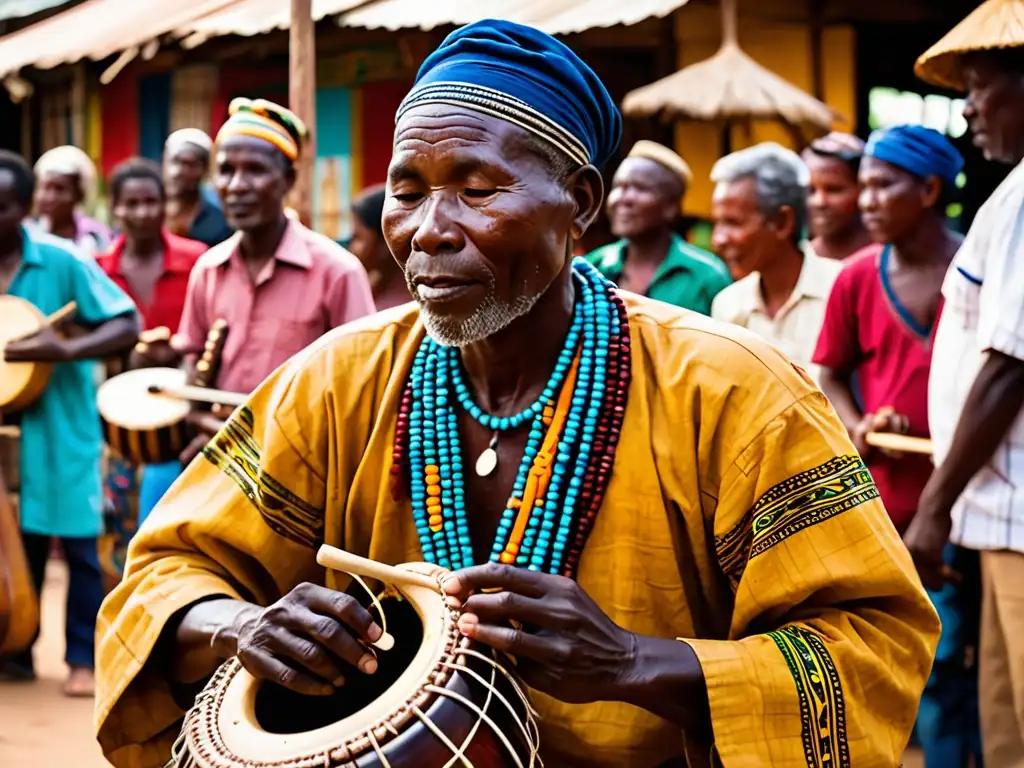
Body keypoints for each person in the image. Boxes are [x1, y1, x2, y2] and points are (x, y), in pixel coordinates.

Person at [95, 21, 938, 768]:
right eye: (408, 190)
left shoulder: (737, 393)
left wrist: (633, 663)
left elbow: (874, 646)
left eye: (477, 188)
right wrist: (240, 625)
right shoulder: (335, 380)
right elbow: (165, 573)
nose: (429, 230)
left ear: (580, 204)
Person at [812, 125, 981, 767]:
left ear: (932, 190)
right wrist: (858, 420)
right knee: (911, 654)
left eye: (885, 186)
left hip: (967, 494)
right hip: (882, 501)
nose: (867, 201)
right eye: (865, 187)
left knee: (960, 654)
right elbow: (829, 371)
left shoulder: (976, 272)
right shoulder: (857, 278)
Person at [131, 98, 376, 505]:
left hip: (304, 478)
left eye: (256, 171)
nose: (237, 185)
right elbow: (195, 367)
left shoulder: (337, 271)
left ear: (289, 179)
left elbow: (362, 391)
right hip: (218, 464)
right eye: (226, 170)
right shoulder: (209, 269)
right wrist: (177, 378)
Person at [910, 7, 1024, 764]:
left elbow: (1009, 365)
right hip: (1003, 517)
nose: (967, 107)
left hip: (1017, 517)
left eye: (979, 88)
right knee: (1005, 720)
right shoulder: (1011, 194)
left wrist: (932, 508)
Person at [0, 149, 140, 696]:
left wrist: (60, 350)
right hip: (7, 435)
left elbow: (126, 323)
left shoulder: (61, 261)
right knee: (16, 544)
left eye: (5, 206)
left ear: (24, 208)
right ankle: (17, 651)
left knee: (81, 547)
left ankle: (82, 657)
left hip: (61, 425)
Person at [95, 157, 208, 565]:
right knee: (124, 534)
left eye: (151, 201)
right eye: (131, 203)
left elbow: (214, 328)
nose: (142, 212)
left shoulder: (198, 261)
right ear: (115, 208)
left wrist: (176, 350)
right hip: (121, 422)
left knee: (178, 530)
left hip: (187, 417)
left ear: (165, 205)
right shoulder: (99, 271)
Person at [709, 142, 843, 383]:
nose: (718, 239)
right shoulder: (728, 305)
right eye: (716, 224)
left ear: (782, 221)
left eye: (733, 223)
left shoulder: (843, 290)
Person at [586, 140, 731, 315]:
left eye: (640, 188)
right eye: (619, 186)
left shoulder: (708, 276)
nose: (624, 198)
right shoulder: (592, 267)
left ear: (670, 207)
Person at [32, 145, 111, 261]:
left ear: (79, 195)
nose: (49, 197)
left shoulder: (95, 237)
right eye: (45, 188)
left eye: (60, 189)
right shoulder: (28, 233)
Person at [802, 132, 873, 261]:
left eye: (834, 190)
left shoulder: (887, 258)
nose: (820, 202)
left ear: (863, 189)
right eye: (811, 190)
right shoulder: (802, 261)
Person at [163, 128, 233, 248]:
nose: (177, 172)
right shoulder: (148, 208)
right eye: (174, 162)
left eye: (189, 165)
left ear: (204, 169)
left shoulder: (219, 220)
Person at [348, 184, 410, 311]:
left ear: (386, 241)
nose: (351, 247)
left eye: (358, 237)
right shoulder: (372, 288)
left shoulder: (399, 306)